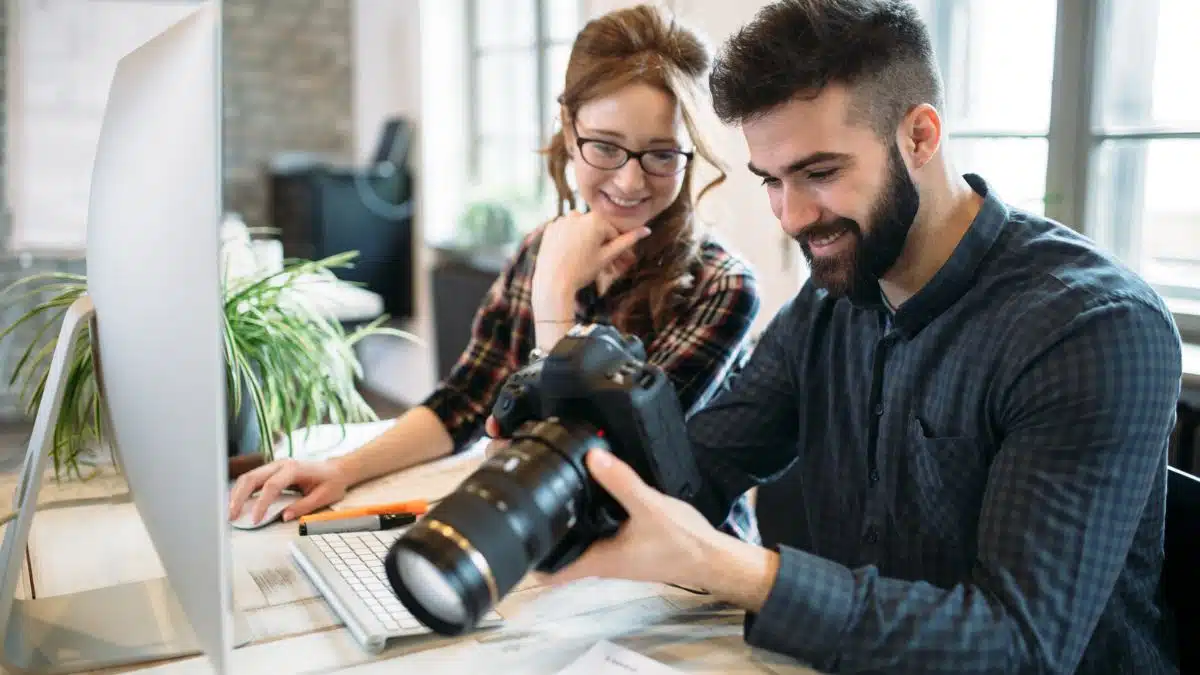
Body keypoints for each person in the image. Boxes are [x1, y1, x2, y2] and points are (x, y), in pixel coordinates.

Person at [512, 1, 1185, 673]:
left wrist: (735, 567)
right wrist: (559, 382)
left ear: (920, 137)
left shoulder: (1090, 330)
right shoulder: (833, 303)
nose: (792, 216)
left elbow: (1017, 647)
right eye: (771, 180)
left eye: (820, 172)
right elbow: (688, 478)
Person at [228, 5, 760, 540]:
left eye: (661, 155)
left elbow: (601, 470)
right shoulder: (542, 249)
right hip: (566, 556)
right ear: (569, 132)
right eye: (605, 146)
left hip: (685, 583)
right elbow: (465, 398)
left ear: (691, 155)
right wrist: (342, 469)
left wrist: (553, 303)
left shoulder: (724, 288)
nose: (628, 181)